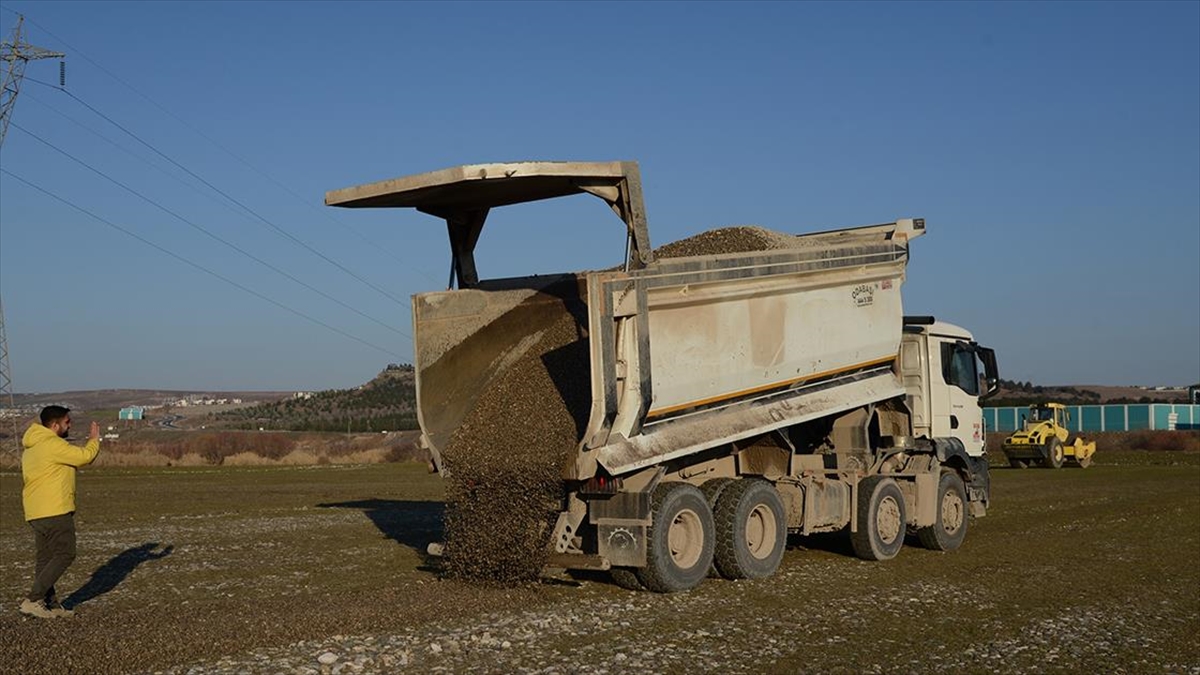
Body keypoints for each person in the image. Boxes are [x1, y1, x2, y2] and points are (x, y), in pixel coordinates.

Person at [19, 405, 101, 619]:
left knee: (45, 559)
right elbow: (84, 457)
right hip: (54, 509)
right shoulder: (51, 444)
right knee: (66, 553)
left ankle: (50, 603)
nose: (69, 425)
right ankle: (34, 599)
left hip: (35, 511)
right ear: (54, 425)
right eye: (67, 422)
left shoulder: (32, 446)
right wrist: (94, 440)